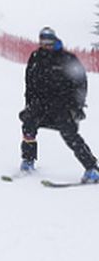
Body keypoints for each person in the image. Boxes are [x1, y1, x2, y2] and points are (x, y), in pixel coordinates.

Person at [18, 27, 99, 183]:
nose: (46, 45)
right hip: (40, 104)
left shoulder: (67, 59)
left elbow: (80, 83)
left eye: (49, 41)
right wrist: (29, 103)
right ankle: (28, 160)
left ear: (55, 40)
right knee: (28, 125)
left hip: (62, 105)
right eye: (43, 41)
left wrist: (77, 106)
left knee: (70, 135)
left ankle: (92, 168)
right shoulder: (36, 57)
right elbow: (29, 82)